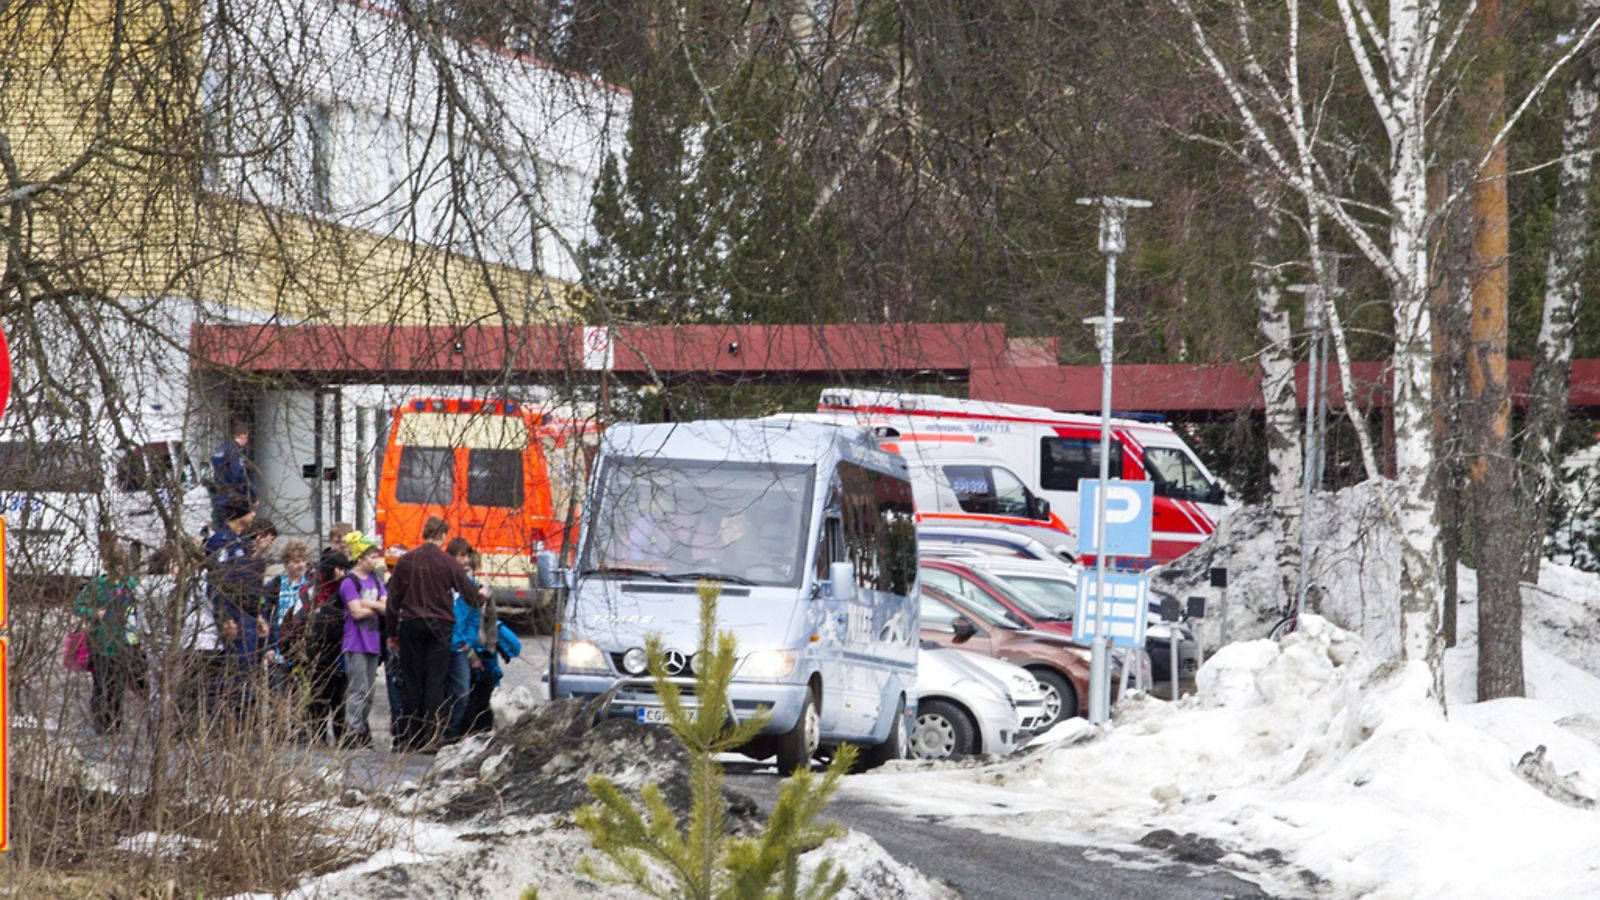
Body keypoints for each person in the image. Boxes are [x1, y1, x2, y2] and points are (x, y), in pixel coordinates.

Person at [385, 516, 482, 752]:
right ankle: (431, 738)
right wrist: (482, 596)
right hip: (440, 626)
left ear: (424, 533)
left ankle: (410, 737)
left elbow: (393, 600)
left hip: (411, 624)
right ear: (443, 537)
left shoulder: (406, 561)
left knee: (411, 681)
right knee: (435, 682)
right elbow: (469, 593)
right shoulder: (448, 563)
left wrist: (391, 632)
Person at [74, 543, 147, 733]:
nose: (119, 571)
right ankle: (101, 723)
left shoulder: (130, 585)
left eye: (122, 566)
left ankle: (115, 723)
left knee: (118, 687)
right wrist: (93, 612)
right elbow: (78, 606)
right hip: (101, 643)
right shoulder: (97, 585)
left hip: (124, 644)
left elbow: (143, 608)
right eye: (116, 566)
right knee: (101, 685)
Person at [204, 499, 265, 714]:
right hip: (231, 615)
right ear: (241, 514)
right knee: (232, 669)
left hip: (246, 615)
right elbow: (216, 584)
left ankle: (244, 723)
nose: (254, 517)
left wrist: (256, 615)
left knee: (248, 669)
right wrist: (223, 618)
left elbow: (249, 584)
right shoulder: (220, 542)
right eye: (251, 512)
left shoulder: (244, 542)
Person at [339, 536, 388, 748]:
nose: (375, 560)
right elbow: (356, 612)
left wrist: (370, 604)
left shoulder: (376, 580)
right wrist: (375, 605)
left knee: (369, 692)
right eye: (371, 556)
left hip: (373, 642)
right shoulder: (350, 582)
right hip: (356, 642)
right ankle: (352, 732)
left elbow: (386, 607)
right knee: (357, 690)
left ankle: (362, 730)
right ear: (360, 557)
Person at [299, 549, 351, 744]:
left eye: (344, 569)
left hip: (340, 645)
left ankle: (341, 737)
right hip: (318, 648)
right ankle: (318, 736)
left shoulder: (344, 588)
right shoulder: (314, 588)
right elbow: (305, 615)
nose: (341, 573)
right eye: (338, 568)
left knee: (340, 695)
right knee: (320, 694)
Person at [444, 538, 482, 740]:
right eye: (461, 555)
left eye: (468, 555)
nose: (466, 560)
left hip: (459, 647)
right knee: (439, 693)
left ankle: (452, 731)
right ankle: (437, 732)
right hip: (440, 646)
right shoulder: (442, 582)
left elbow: (475, 617)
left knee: (461, 694)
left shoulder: (472, 586)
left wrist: (470, 639)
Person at [263, 541, 312, 693]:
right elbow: (266, 617)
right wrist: (268, 647)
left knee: (300, 699)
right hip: (278, 649)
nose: (301, 565)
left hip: (301, 650)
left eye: (303, 561)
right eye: (296, 561)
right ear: (286, 562)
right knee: (277, 696)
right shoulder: (275, 585)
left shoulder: (310, 587)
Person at [210, 420, 256, 530]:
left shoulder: (220, 449)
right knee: (235, 530)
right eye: (246, 437)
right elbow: (238, 475)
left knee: (221, 530)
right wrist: (252, 494)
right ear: (242, 436)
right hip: (232, 498)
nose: (247, 441)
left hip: (219, 495)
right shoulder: (234, 452)